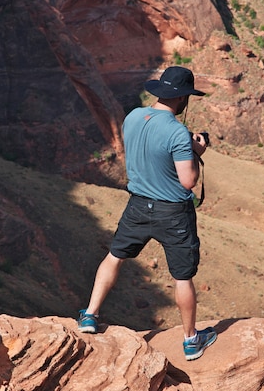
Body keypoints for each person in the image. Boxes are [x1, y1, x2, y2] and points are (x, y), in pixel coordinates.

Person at [77, 66, 216, 361]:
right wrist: (195, 151)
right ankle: (191, 341)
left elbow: (153, 147)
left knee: (114, 257)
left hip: (138, 205)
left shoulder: (133, 117)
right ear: (182, 99)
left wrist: (183, 145)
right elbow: (188, 181)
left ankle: (90, 316)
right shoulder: (177, 132)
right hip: (173, 212)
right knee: (182, 277)